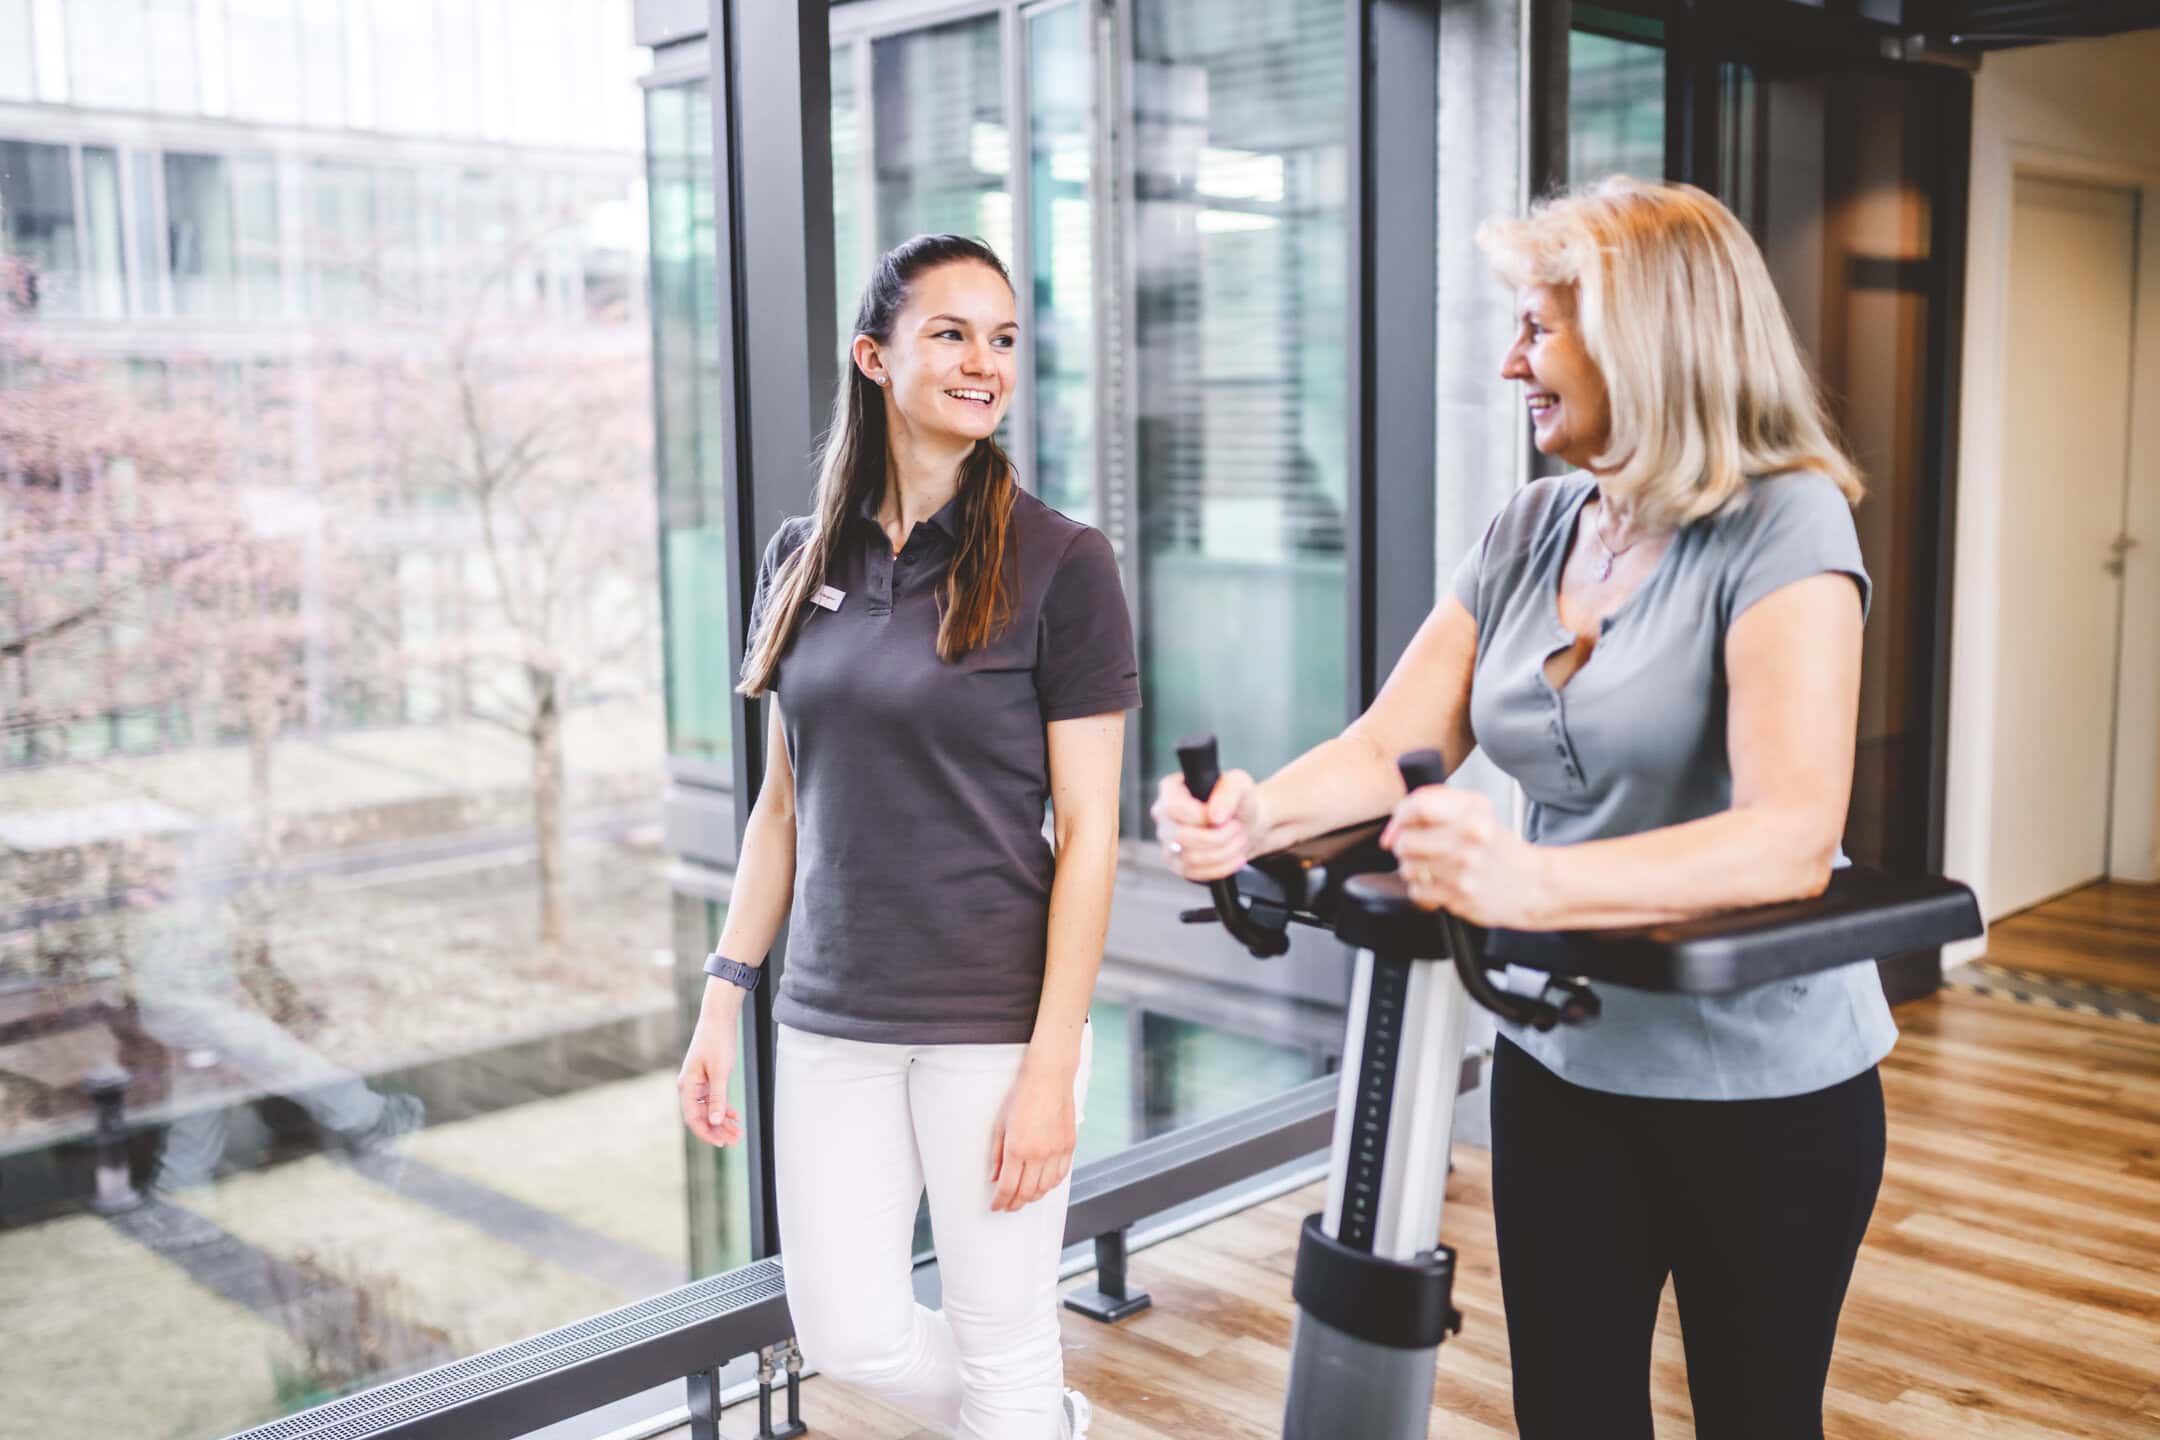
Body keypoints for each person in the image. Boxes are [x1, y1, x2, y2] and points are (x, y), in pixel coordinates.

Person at [1153, 177, 1883, 1439]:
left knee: (1758, 1417)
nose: (1510, 364)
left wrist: (1524, 886)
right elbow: (1392, 744)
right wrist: (1254, 814)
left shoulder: (1784, 523)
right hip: (1559, 1058)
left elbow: (1791, 831)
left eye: (1538, 330)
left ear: (1645, 338)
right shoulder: (1534, 526)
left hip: (1762, 1090)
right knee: (1572, 1412)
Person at [675, 233, 1138, 1440]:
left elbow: (1091, 835)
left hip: (994, 1020)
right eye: (952, 333)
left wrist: (1052, 1063)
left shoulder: (1064, 563)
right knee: (847, 1334)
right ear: (875, 358)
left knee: (1001, 1339)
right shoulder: (799, 555)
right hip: (829, 1016)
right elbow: (785, 805)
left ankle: (1028, 1408)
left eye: (1003, 338)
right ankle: (1046, 1418)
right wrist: (723, 995)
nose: (985, 362)